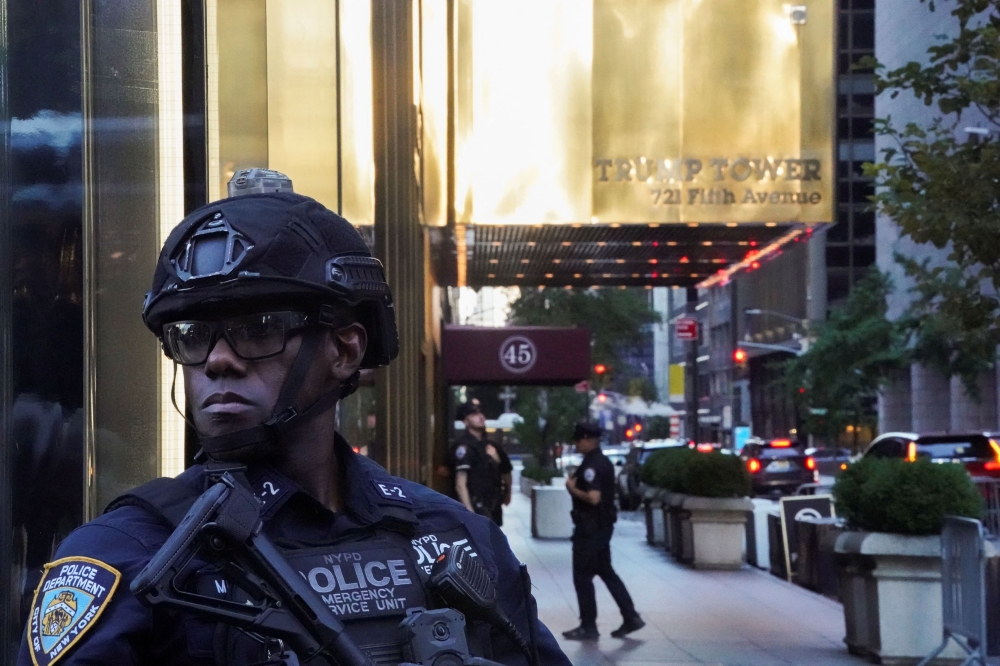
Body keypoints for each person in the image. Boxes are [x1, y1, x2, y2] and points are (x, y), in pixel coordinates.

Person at [18, 174, 570, 666]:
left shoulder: (455, 538)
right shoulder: (123, 556)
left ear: (345, 351)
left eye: (259, 328)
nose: (217, 359)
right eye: (192, 336)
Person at [562, 421, 644, 641]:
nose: (577, 444)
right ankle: (630, 616)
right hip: (600, 527)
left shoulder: (592, 466)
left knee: (582, 576)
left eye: (579, 440)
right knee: (606, 572)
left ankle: (588, 626)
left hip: (590, 529)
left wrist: (572, 489)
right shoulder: (601, 462)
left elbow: (593, 497)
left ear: (588, 439)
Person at [448, 400, 513, 525]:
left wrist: (508, 492)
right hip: (475, 505)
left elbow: (506, 470)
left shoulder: (492, 446)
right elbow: (460, 484)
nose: (480, 417)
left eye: (480, 413)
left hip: (492, 505)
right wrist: (469, 512)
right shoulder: (464, 446)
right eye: (474, 415)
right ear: (465, 421)